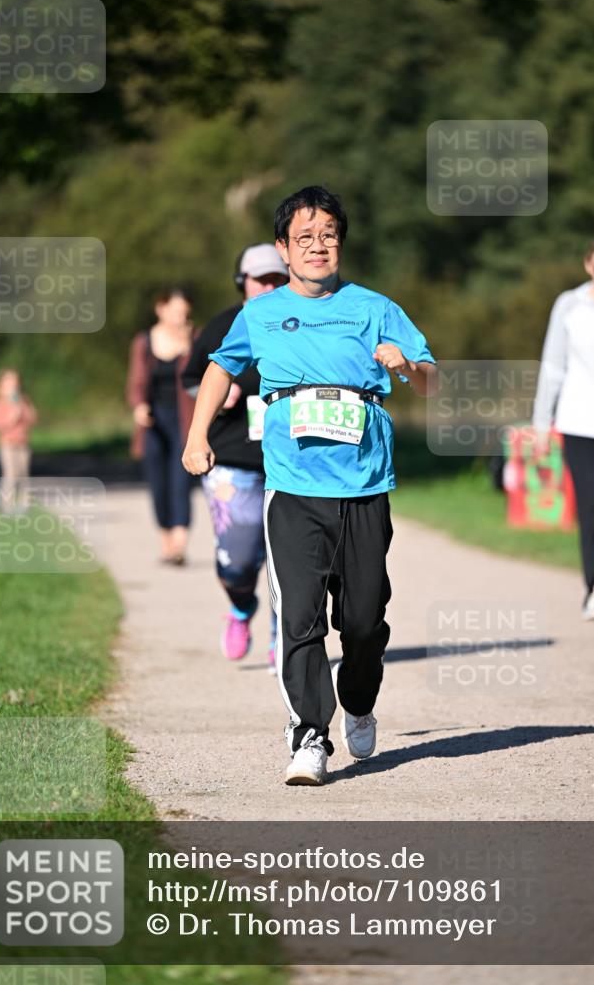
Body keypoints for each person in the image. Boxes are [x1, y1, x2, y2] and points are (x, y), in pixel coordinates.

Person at [183, 185, 437, 786]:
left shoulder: (375, 306)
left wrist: (407, 366)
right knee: (299, 617)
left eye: (328, 236)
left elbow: (429, 377)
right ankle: (308, 737)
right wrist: (198, 439)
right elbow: (220, 369)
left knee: (365, 619)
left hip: (365, 484)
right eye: (305, 238)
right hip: (293, 488)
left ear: (340, 244)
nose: (318, 246)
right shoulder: (262, 312)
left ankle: (359, 701)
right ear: (284, 248)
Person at [181, 245, 288, 668]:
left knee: (290, 558)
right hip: (231, 458)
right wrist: (219, 396)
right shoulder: (225, 324)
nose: (269, 286)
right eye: (261, 279)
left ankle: (287, 639)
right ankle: (242, 606)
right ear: (241, 281)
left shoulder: (300, 320)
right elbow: (192, 378)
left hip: (291, 457)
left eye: (277, 278)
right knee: (239, 558)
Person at [533, 232, 594, 620]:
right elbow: (553, 367)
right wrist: (541, 422)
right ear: (589, 266)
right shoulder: (570, 305)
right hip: (580, 422)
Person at [127, 287, 196, 565]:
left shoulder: (195, 338)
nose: (181, 316)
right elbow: (135, 381)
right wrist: (138, 406)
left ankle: (179, 544)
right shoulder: (144, 341)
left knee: (181, 481)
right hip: (154, 421)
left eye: (184, 312)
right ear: (161, 309)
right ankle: (166, 541)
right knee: (158, 482)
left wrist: (188, 346)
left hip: (185, 420)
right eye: (176, 311)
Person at [0, 369, 37, 512]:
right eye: (9, 381)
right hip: (7, 444)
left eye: (15, 381)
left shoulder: (22, 399)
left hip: (23, 443)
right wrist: (12, 417)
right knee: (10, 474)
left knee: (23, 474)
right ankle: (6, 504)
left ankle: (24, 503)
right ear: (1, 385)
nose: (13, 385)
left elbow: (32, 419)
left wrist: (23, 408)